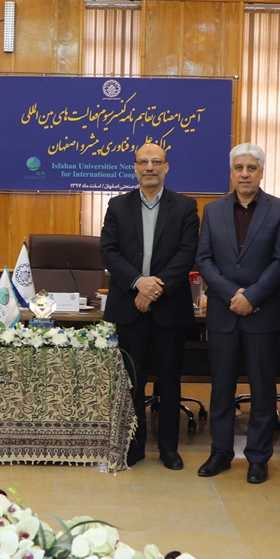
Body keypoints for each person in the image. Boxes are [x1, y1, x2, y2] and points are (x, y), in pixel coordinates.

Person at [195, 143, 280, 484]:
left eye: (252, 168)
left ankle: (258, 457)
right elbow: (204, 259)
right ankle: (220, 452)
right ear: (232, 172)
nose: (245, 174)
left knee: (263, 391)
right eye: (239, 168)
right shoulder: (213, 210)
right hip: (223, 313)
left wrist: (251, 296)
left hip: (261, 314)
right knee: (221, 389)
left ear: (262, 172)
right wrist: (231, 294)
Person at [100, 142, 200, 469]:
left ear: (166, 167)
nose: (149, 167)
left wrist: (155, 287)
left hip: (169, 307)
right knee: (132, 381)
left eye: (156, 162)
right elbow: (109, 251)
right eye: (143, 162)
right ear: (135, 168)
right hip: (129, 307)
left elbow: (187, 252)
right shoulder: (117, 205)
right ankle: (134, 445)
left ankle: (169, 449)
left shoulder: (185, 206)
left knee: (169, 380)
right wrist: (137, 282)